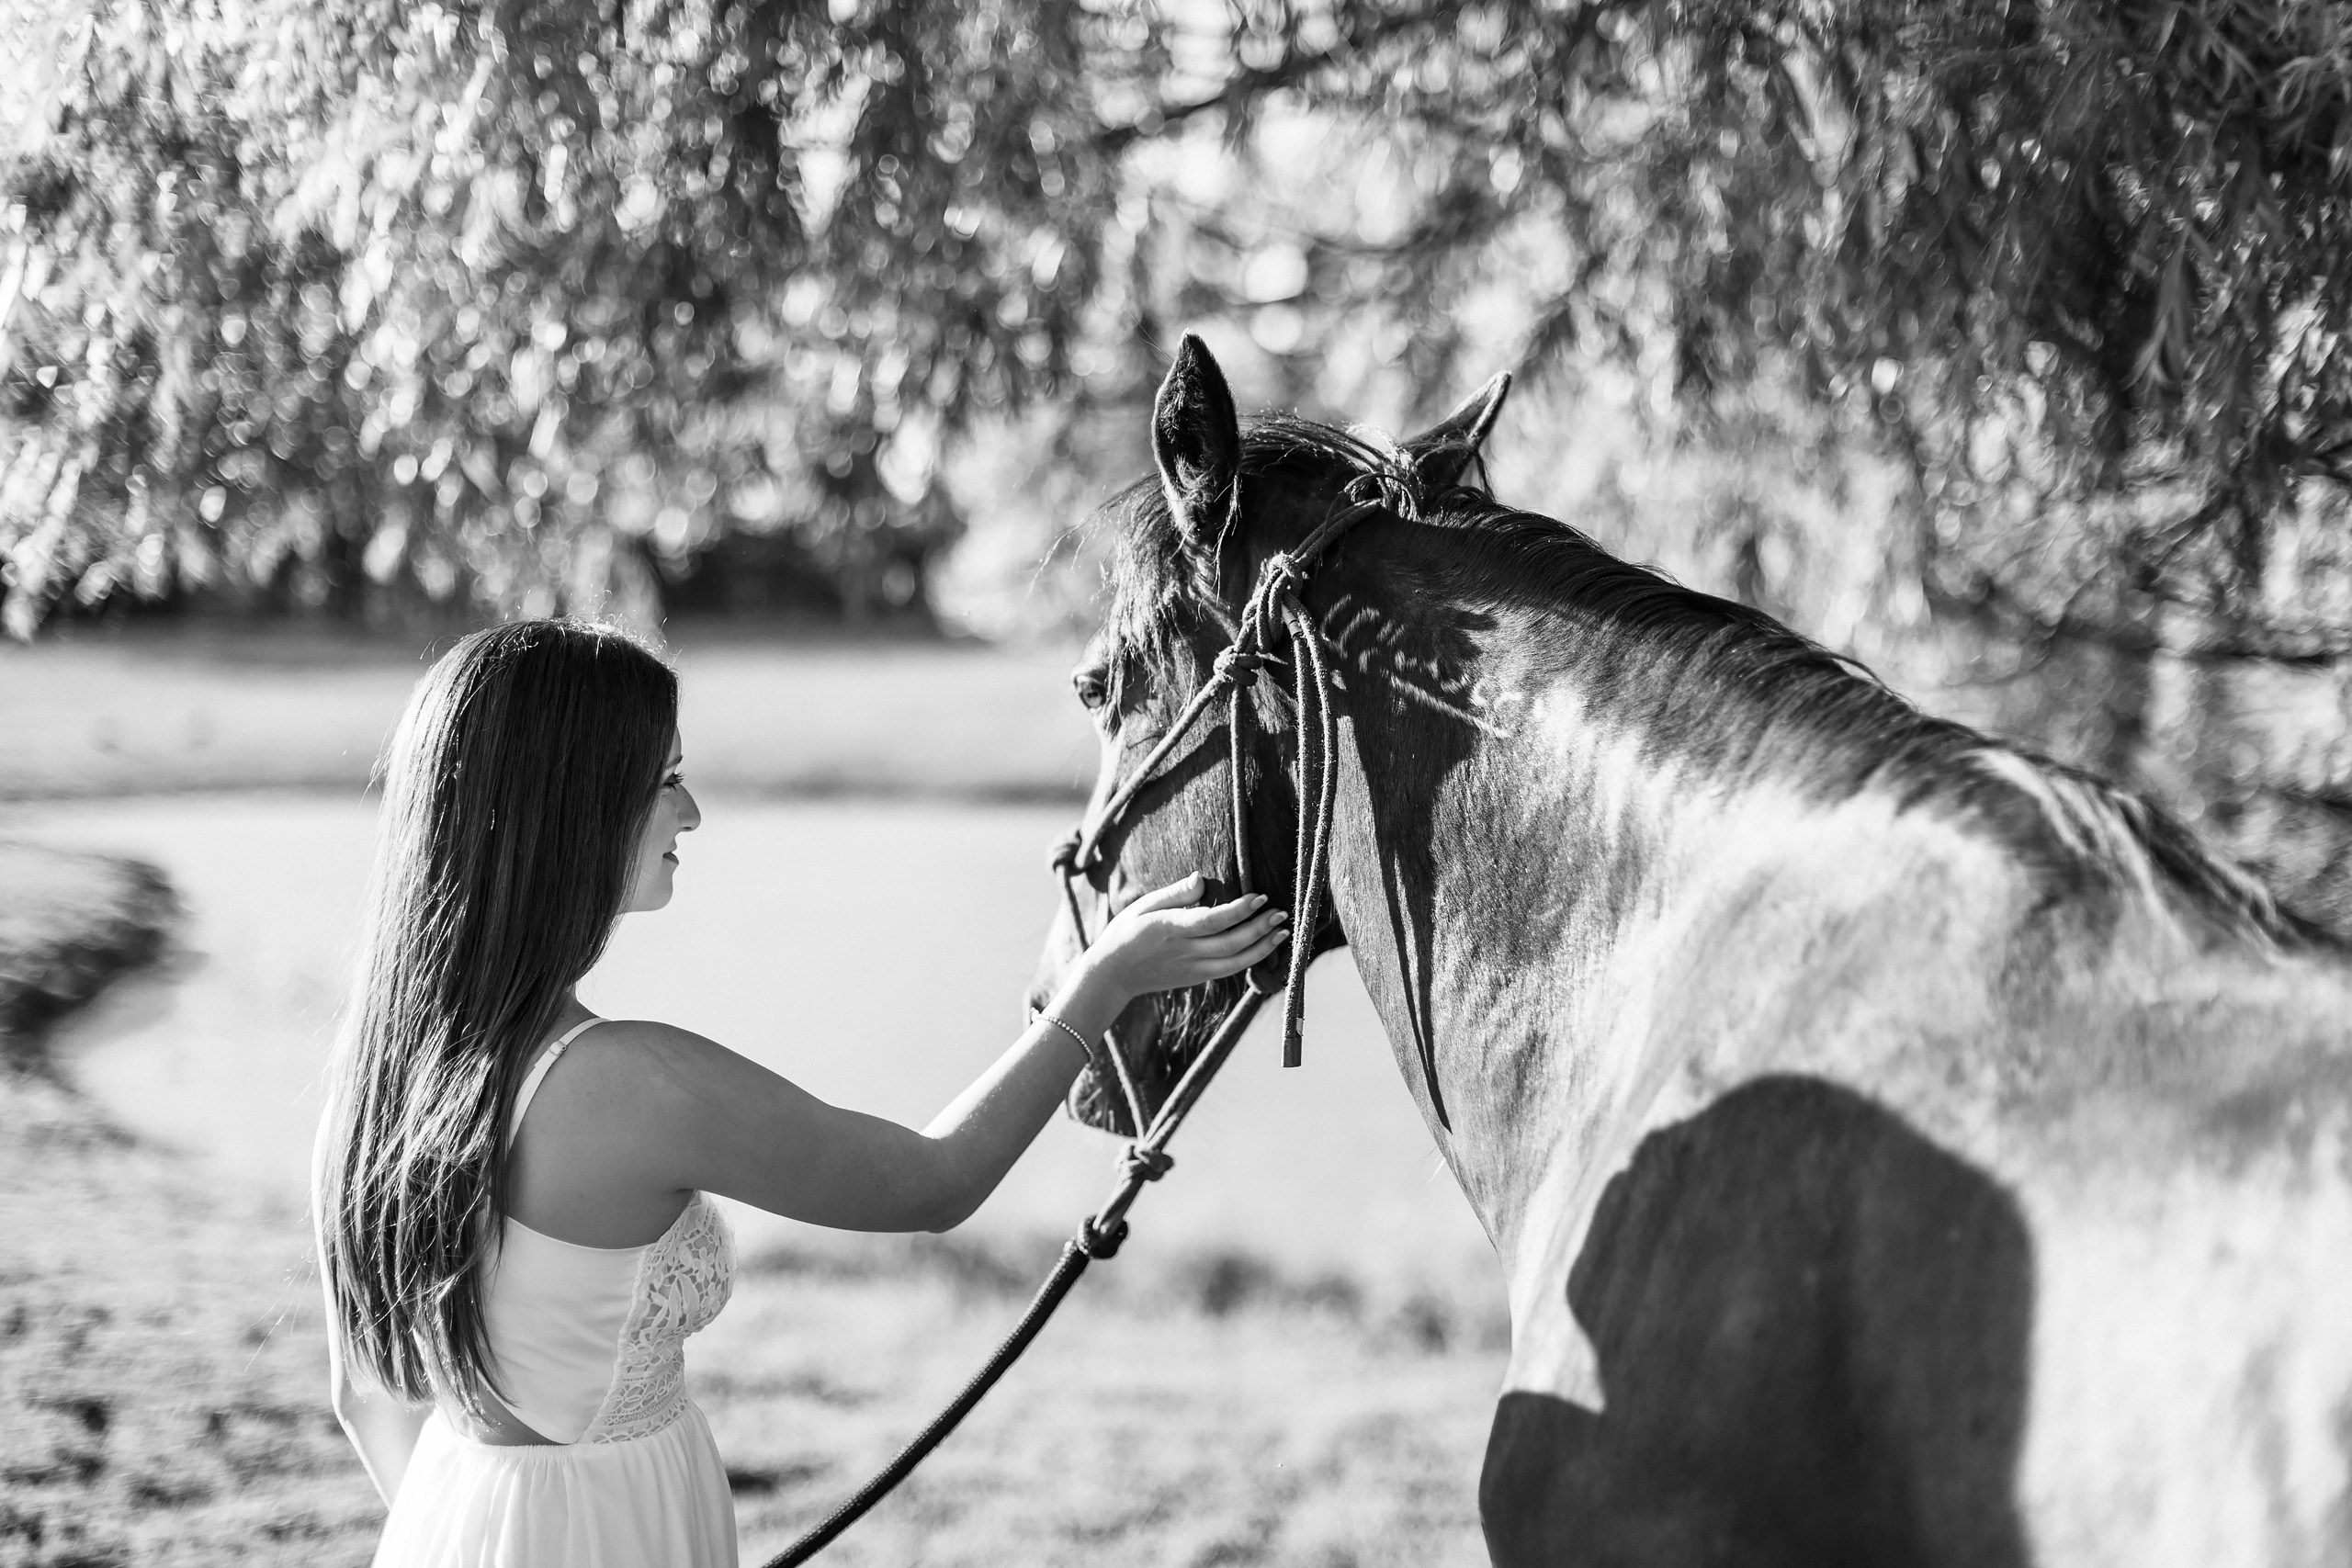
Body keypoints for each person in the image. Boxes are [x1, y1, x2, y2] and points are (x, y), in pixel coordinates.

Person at [312, 618, 1289, 1567]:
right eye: (665, 783)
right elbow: (931, 1182)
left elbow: (364, 1398)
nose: (691, 815)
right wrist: (1103, 981)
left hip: (447, 1516)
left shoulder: (383, 1073)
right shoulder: (627, 1083)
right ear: (569, 811)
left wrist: (481, 1534)